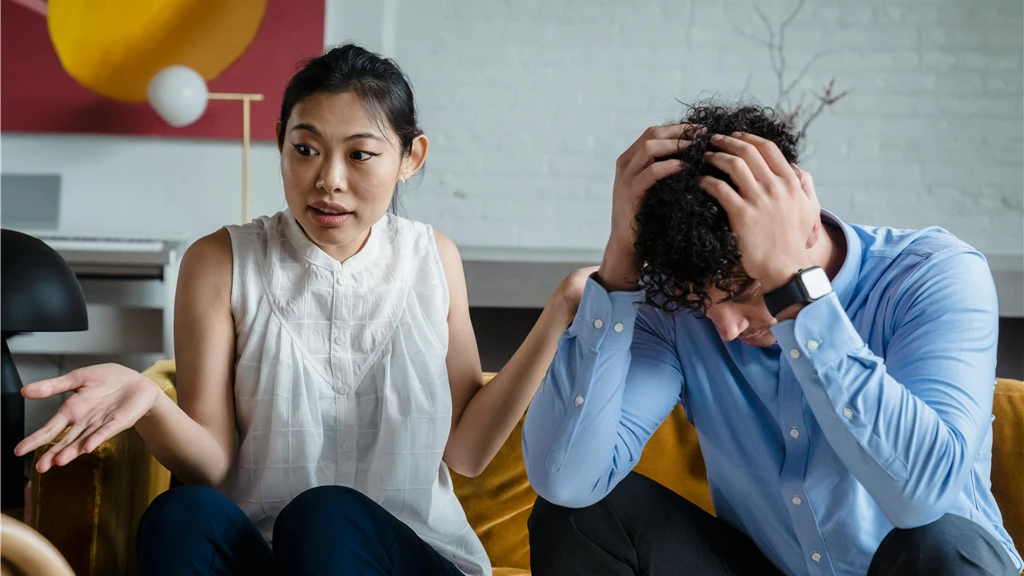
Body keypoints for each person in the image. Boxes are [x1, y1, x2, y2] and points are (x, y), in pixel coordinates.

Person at [15, 44, 592, 576]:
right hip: (267, 554)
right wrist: (148, 405)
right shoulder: (220, 260)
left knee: (325, 516)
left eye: (360, 154)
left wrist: (562, 308)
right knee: (182, 513)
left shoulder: (432, 258)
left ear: (412, 156)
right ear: (281, 141)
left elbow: (466, 452)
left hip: (406, 556)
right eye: (305, 149)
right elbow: (213, 470)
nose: (328, 181)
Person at [522, 103, 1022, 576]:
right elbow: (566, 479)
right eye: (701, 303)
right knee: (580, 517)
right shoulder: (675, 309)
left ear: (805, 224)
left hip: (923, 564)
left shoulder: (933, 274)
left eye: (745, 290)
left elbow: (923, 498)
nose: (725, 328)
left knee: (935, 542)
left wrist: (794, 291)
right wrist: (618, 268)